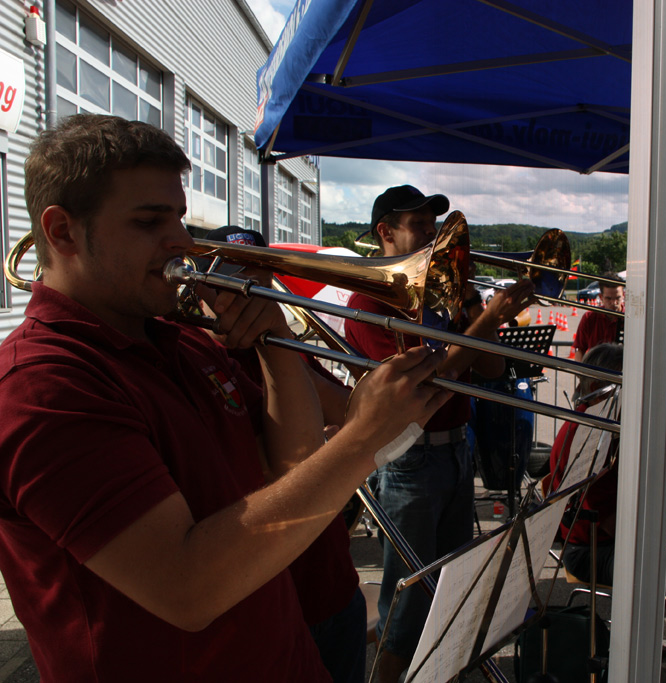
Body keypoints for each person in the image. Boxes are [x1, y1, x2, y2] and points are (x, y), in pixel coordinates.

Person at [0, 114, 450, 682]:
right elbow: (186, 586)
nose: (182, 243)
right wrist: (363, 438)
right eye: (148, 222)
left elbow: (293, 467)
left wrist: (277, 342)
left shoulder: (183, 340)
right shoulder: (42, 386)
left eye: (180, 219)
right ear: (62, 232)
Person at [345, 184, 534, 682]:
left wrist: (474, 302)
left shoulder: (440, 294)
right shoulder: (366, 301)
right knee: (407, 606)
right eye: (421, 227)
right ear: (386, 232)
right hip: (409, 460)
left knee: (449, 592)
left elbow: (491, 369)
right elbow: (425, 385)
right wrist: (488, 318)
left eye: (435, 226)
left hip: (454, 454)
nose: (433, 236)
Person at [197, 225, 367, 683]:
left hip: (332, 578)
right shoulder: (193, 354)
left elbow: (350, 409)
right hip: (273, 597)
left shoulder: (278, 341)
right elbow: (278, 463)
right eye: (232, 274)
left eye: (260, 273)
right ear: (202, 281)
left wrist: (273, 340)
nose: (249, 287)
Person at [550, 343, 666, 683]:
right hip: (590, 548)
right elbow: (614, 524)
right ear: (599, 385)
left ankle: (660, 628)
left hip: (614, 537)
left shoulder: (614, 424)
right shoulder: (595, 431)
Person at [573, 273, 624, 357]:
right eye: (609, 298)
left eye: (617, 298)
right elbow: (579, 349)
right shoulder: (589, 317)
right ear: (601, 297)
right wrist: (580, 369)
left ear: (623, 295)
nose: (614, 303)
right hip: (594, 368)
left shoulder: (629, 319)